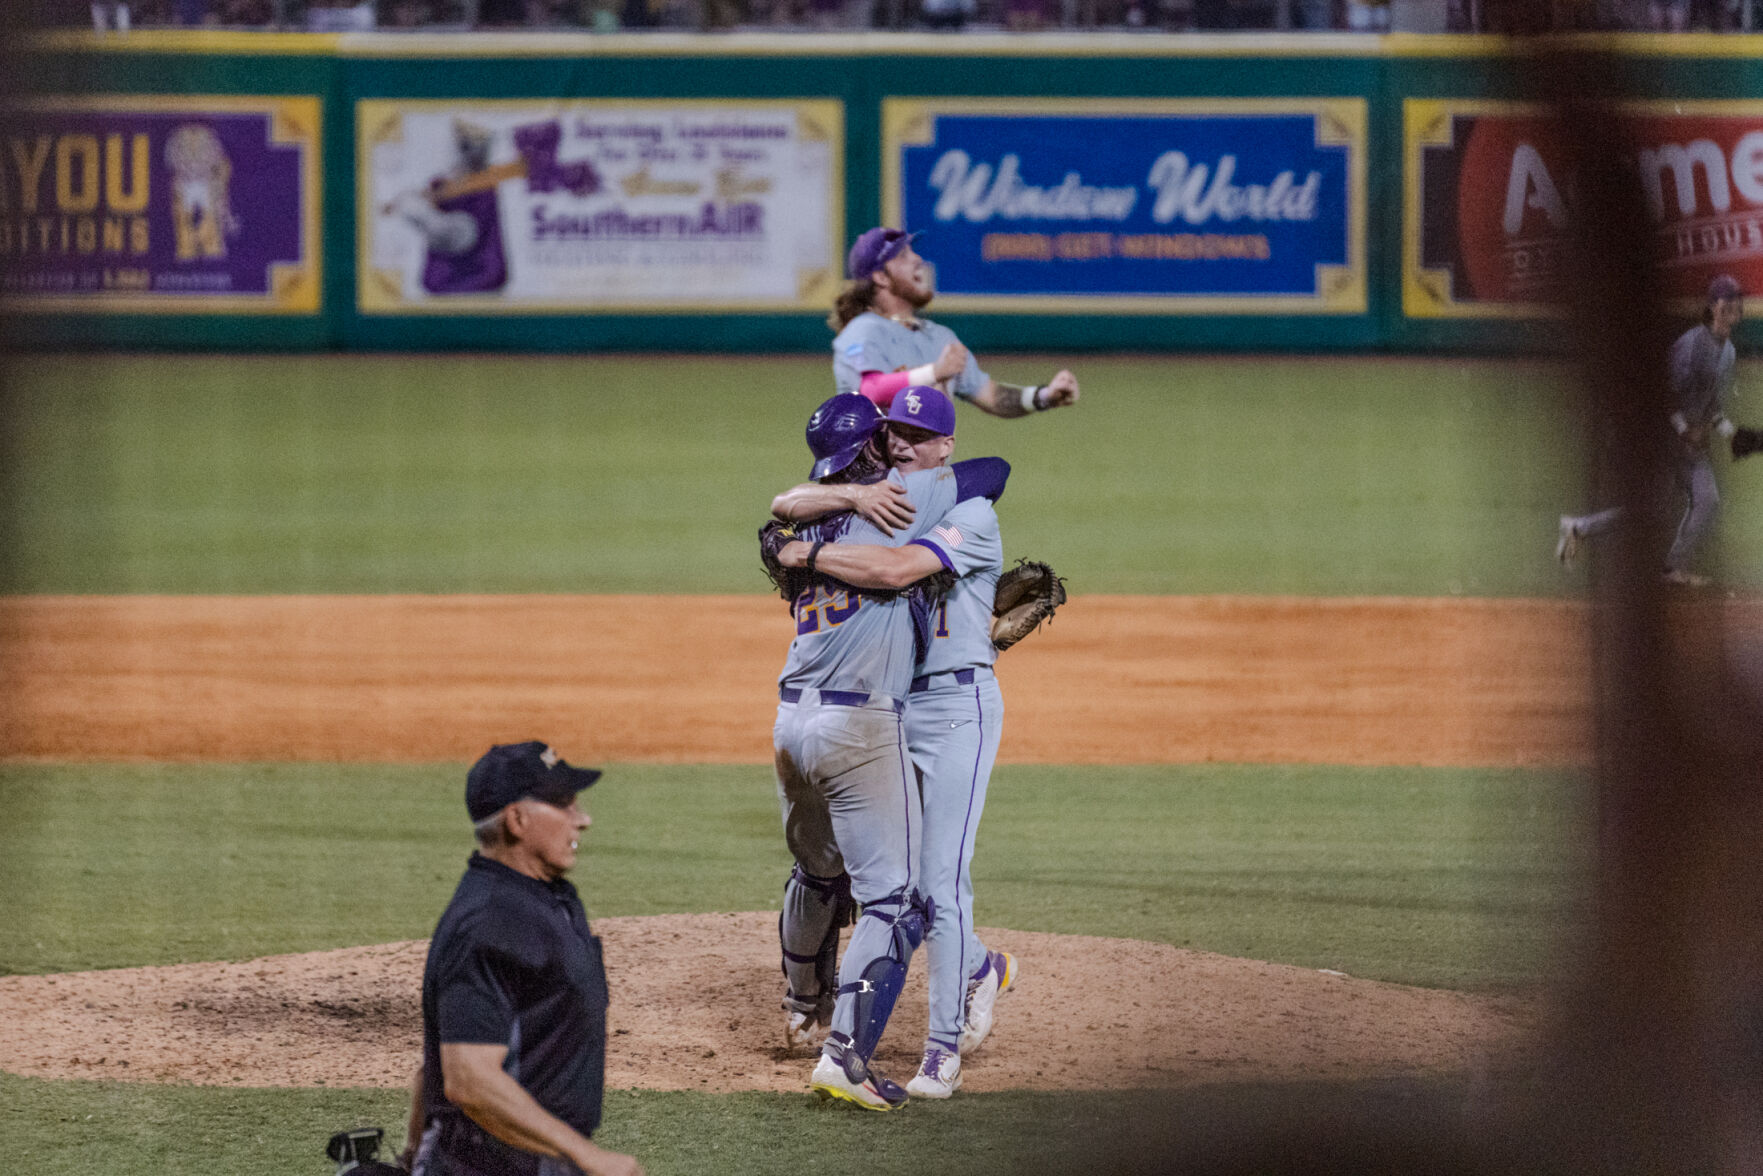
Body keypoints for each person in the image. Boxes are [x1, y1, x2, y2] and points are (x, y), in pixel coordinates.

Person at [764, 392, 1009, 1110]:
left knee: (857, 872)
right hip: (873, 720)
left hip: (809, 718)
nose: (902, 446)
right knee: (897, 894)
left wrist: (800, 544)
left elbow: (793, 508)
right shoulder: (873, 502)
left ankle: (814, 1008)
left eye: (917, 434)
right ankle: (853, 1045)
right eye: (892, 434)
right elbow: (989, 469)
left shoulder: (825, 513)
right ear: (874, 446)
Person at [403, 741, 643, 1176]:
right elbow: (468, 1080)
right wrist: (585, 1155)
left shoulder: (543, 899)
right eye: (564, 805)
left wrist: (411, 1150)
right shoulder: (489, 922)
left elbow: (437, 1060)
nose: (582, 819)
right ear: (517, 819)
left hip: (532, 1157)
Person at [1557, 274, 1747, 587]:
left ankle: (1670, 568)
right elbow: (1661, 393)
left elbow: (1712, 407)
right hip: (1662, 438)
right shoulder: (1692, 345)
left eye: (1738, 300)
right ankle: (1578, 527)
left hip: (1688, 446)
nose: (1735, 306)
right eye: (1728, 300)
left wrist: (1734, 434)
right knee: (1648, 511)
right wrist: (1685, 429)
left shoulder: (1728, 353)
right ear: (1713, 307)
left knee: (1706, 501)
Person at [831, 227, 1081, 420]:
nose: (917, 258)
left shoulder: (940, 337)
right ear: (881, 277)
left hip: (927, 482)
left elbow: (992, 397)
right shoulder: (863, 330)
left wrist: (1045, 396)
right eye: (903, 255)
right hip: (870, 482)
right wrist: (935, 373)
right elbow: (870, 391)